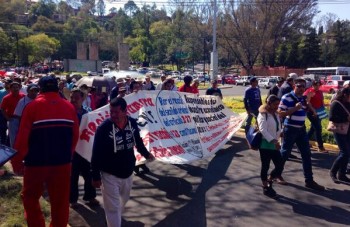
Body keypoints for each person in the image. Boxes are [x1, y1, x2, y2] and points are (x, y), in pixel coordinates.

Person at [11, 75, 80, 227]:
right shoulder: (69, 107)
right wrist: (68, 155)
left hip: (36, 163)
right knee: (61, 202)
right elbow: (75, 136)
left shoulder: (32, 107)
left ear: (40, 89)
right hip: (62, 163)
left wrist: (16, 162)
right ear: (57, 88)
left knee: (30, 197)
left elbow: (22, 138)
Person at [91, 97, 154, 227]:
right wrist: (95, 176)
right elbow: (96, 153)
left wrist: (146, 154)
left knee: (121, 203)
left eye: (116, 112)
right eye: (111, 112)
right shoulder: (104, 128)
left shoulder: (132, 123)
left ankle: (112, 221)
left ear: (125, 111)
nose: (113, 115)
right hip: (109, 175)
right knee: (113, 208)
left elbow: (138, 141)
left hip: (128, 172)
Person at [277, 78, 325, 191]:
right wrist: (295, 108)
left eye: (303, 87)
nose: (301, 88)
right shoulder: (287, 97)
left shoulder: (303, 98)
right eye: (299, 86)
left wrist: (312, 110)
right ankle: (276, 175)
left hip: (301, 129)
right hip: (290, 129)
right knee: (284, 154)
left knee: (306, 155)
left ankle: (309, 180)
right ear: (294, 85)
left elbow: (305, 108)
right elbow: (280, 113)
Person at [69, 88, 98, 207]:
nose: (74, 99)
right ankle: (73, 200)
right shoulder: (67, 111)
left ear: (83, 98)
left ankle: (90, 197)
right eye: (72, 97)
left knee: (88, 174)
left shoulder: (88, 112)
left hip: (86, 148)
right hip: (72, 149)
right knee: (73, 175)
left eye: (77, 97)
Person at [257, 95, 283, 197]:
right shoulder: (263, 114)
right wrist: (273, 141)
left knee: (280, 164)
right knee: (265, 166)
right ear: (269, 103)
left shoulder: (275, 113)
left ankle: (270, 179)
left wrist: (280, 133)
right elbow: (263, 129)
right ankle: (265, 187)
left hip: (274, 142)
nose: (277, 106)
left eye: (278, 104)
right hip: (265, 144)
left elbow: (277, 126)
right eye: (275, 104)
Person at [329, 87, 350, 183]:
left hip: (348, 130)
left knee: (347, 153)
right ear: (345, 95)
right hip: (339, 130)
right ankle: (333, 172)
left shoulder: (348, 103)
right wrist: (346, 119)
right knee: (344, 152)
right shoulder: (335, 103)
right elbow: (332, 118)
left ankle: (342, 174)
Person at [303, 80, 327, 152]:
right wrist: (313, 111)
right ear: (312, 85)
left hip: (319, 112)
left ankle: (304, 142)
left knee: (313, 129)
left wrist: (323, 108)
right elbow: (308, 102)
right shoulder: (310, 91)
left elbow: (321, 101)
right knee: (318, 129)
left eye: (318, 85)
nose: (317, 86)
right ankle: (320, 147)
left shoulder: (320, 92)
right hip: (312, 113)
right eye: (316, 85)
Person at [0, 81, 25, 147]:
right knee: (13, 137)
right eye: (14, 87)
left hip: (23, 119)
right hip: (13, 119)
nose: (16, 89)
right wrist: (7, 118)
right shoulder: (6, 98)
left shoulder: (23, 96)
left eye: (17, 87)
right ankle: (13, 151)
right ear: (10, 89)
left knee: (22, 135)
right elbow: (2, 108)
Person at [0, 79, 12, 145]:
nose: (5, 84)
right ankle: (3, 142)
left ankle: (8, 142)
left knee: (11, 128)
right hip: (2, 112)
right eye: (5, 83)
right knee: (3, 128)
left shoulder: (13, 92)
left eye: (7, 83)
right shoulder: (0, 92)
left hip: (11, 113)